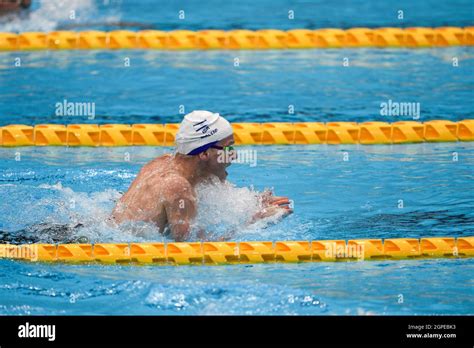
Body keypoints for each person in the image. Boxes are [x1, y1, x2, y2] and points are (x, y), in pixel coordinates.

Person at [111, 110, 292, 241]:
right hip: (113, 245)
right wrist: (255, 222)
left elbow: (218, 192)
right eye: (228, 148)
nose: (234, 155)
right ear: (204, 154)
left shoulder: (165, 162)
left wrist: (254, 203)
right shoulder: (178, 187)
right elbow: (190, 246)